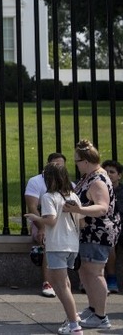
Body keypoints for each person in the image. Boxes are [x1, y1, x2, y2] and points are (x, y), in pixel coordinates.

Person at [24, 162, 84, 334]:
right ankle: (73, 318)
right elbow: (81, 221)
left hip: (57, 244)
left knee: (60, 285)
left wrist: (34, 217)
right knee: (64, 282)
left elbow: (50, 220)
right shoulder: (73, 195)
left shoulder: (49, 197)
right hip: (72, 244)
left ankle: (74, 325)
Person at [71, 139, 119, 330]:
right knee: (85, 271)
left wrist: (79, 209)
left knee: (95, 273)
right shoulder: (89, 176)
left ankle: (101, 316)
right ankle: (93, 308)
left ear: (86, 161)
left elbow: (102, 207)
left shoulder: (97, 179)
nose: (76, 164)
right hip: (88, 232)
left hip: (97, 234)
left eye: (77, 161)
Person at [25, 152, 68, 298]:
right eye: (56, 164)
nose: (59, 168)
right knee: (48, 243)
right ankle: (47, 282)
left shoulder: (68, 183)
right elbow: (32, 207)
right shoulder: (36, 182)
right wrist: (41, 228)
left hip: (63, 224)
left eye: (61, 165)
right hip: (43, 222)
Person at [101, 159, 121, 293]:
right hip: (106, 228)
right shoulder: (99, 189)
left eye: (112, 172)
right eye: (106, 172)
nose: (108, 174)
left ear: (119, 175)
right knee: (109, 242)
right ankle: (108, 278)